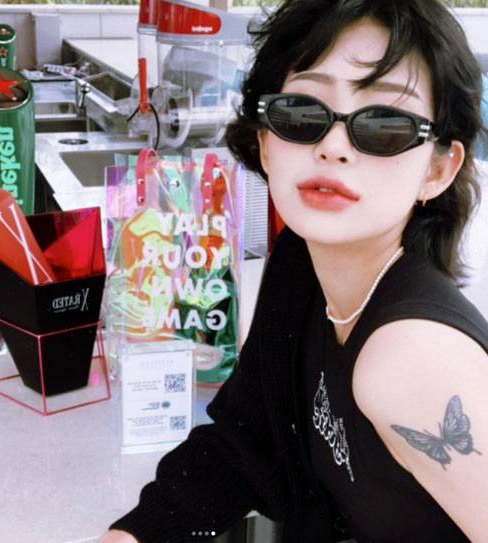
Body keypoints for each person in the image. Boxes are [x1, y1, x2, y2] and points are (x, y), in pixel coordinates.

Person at [99, 0, 488, 541]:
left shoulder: (411, 358)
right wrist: (135, 534)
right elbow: (247, 440)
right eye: (302, 112)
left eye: (384, 123)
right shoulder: (302, 265)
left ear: (439, 168)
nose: (333, 146)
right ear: (264, 141)